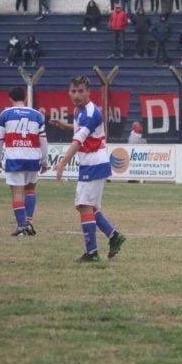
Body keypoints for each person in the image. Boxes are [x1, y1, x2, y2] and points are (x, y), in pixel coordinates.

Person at [52, 75, 126, 262]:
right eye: (73, 91)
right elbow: (81, 130)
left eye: (80, 91)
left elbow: (78, 141)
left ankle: (92, 253)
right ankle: (114, 236)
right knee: (90, 208)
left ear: (88, 92)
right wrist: (65, 125)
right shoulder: (79, 110)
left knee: (83, 206)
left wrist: (62, 163)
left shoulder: (92, 113)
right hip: (92, 164)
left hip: (94, 165)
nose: (76, 95)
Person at [0, 86, 48, 236]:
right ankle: (28, 222)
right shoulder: (37, 115)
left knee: (17, 193)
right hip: (32, 157)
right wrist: (45, 161)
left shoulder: (5, 114)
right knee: (30, 190)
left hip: (14, 157)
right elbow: (43, 140)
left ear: (10, 98)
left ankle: (21, 226)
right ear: (25, 98)